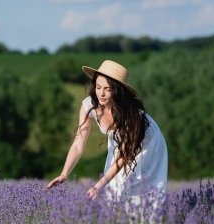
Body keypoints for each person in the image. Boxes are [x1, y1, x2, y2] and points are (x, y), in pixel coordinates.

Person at [46, 60, 168, 203]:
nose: (101, 94)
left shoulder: (132, 115)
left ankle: (144, 223)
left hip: (146, 142)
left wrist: (98, 186)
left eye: (108, 89)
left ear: (117, 91)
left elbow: (124, 155)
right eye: (98, 87)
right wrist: (64, 174)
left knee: (135, 189)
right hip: (120, 141)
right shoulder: (89, 105)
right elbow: (79, 143)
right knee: (113, 190)